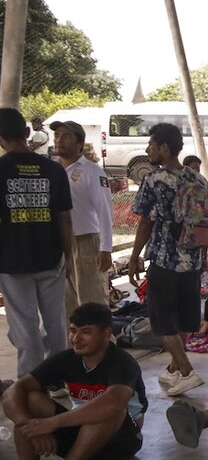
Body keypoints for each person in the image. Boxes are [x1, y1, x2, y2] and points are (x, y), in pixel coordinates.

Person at [0, 303, 147, 460]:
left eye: (86, 332)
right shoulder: (67, 359)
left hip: (120, 443)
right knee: (30, 398)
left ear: (106, 334)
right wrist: (30, 427)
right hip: (82, 439)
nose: (76, 339)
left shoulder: (122, 362)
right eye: (72, 331)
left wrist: (51, 423)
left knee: (108, 408)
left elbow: (113, 402)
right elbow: (13, 391)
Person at [129, 123, 208, 396]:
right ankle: (174, 370)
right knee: (184, 319)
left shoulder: (154, 179)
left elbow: (145, 222)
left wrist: (134, 256)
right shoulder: (198, 179)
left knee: (162, 321)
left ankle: (187, 372)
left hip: (165, 260)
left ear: (164, 148)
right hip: (193, 261)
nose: (147, 149)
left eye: (151, 145)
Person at [0, 108, 74, 378]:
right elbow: (65, 219)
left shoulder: (2, 170)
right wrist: (68, 257)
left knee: (25, 325)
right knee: (56, 322)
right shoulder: (53, 169)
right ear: (28, 132)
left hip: (12, 260)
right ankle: (57, 379)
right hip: (51, 257)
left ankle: (30, 384)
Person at [51, 120, 112, 315]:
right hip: (57, 244)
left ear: (79, 144)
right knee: (64, 306)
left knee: (91, 303)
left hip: (85, 242)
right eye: (57, 136)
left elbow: (105, 210)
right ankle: (72, 345)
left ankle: (104, 345)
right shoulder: (51, 170)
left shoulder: (92, 171)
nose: (59, 140)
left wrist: (105, 248)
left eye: (66, 136)